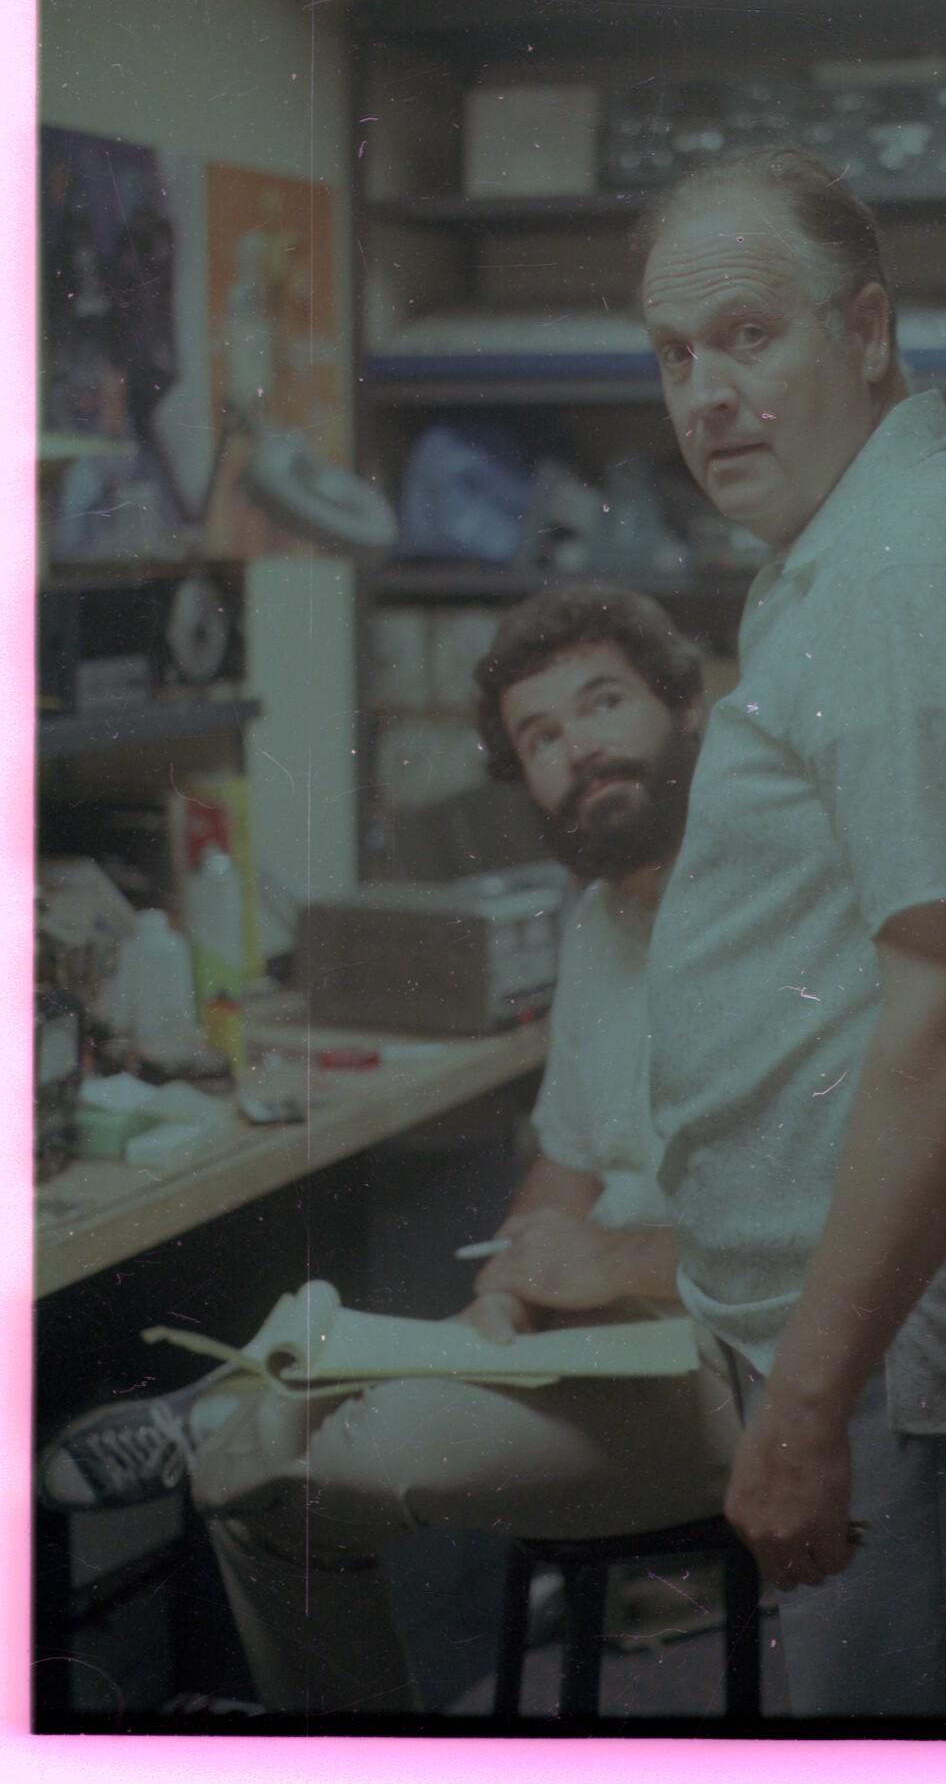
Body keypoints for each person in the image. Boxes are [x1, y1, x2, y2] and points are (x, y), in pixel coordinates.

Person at [637, 146, 946, 1721]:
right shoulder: (851, 547)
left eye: (747, 335)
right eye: (673, 355)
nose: (706, 395)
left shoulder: (912, 571)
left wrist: (805, 1398)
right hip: (871, 1343)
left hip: (900, 1354)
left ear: (865, 330)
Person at [38, 584, 741, 1715]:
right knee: (267, 1453)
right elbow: (567, 1157)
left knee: (284, 1475)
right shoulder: (597, 924)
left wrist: (604, 1262)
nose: (578, 749)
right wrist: (509, 1285)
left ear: (684, 706)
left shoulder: (766, 911)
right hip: (608, 1337)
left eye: (604, 703)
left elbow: (816, 1230)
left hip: (742, 1369)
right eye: (540, 737)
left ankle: (243, 1441)